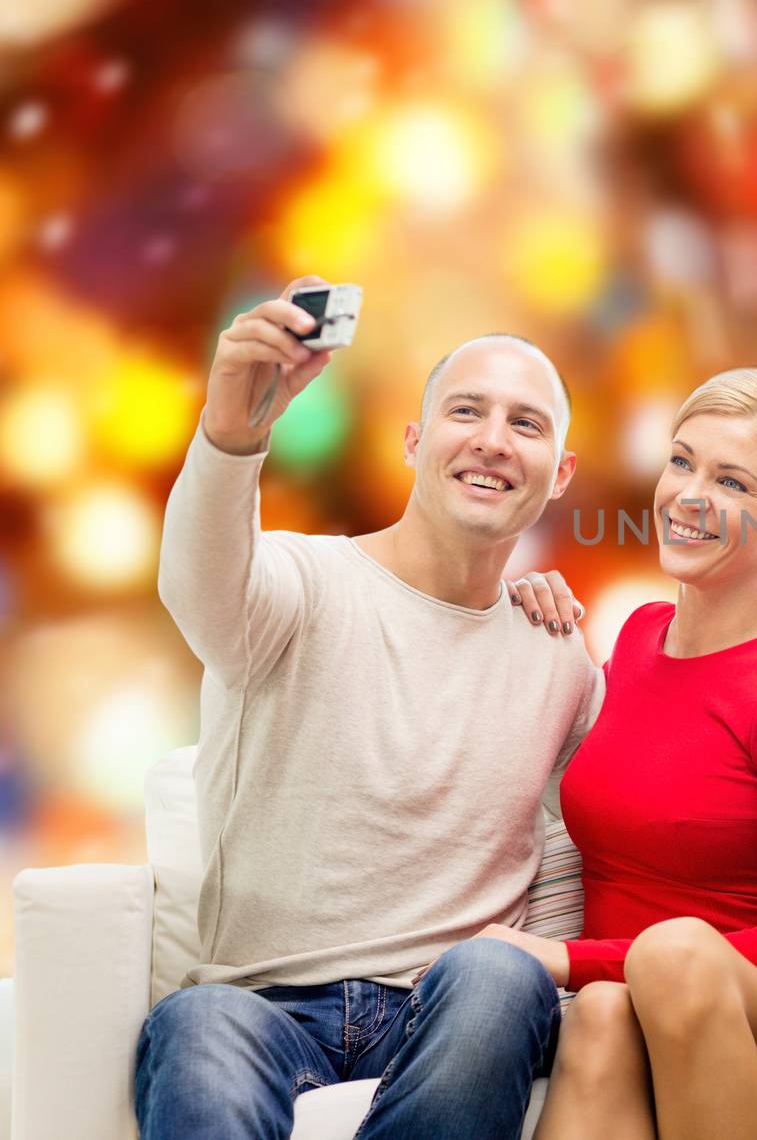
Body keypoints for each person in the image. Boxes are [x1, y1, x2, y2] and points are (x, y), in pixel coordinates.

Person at [135, 279, 603, 1140]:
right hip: (260, 1006)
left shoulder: (560, 653)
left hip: (451, 1012)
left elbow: (565, 864)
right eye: (467, 412)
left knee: (504, 978)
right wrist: (235, 434)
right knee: (198, 1027)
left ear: (560, 473)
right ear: (415, 440)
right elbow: (197, 588)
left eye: (526, 424)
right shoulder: (297, 582)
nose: (493, 441)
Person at [487, 367, 757, 1140]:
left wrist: (565, 959)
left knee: (669, 958)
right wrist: (512, 607)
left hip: (736, 1003)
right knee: (605, 1015)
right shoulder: (636, 633)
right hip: (610, 998)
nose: (689, 494)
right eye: (682, 461)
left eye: (732, 481)